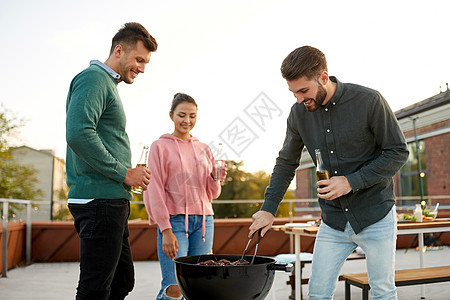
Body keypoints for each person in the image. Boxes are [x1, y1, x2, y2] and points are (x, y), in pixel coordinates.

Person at [249, 46, 409, 299]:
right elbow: (285, 163)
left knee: (382, 291)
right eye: (293, 93)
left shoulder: (369, 101)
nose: (299, 99)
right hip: (333, 221)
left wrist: (350, 181)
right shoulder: (298, 113)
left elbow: (398, 151)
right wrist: (269, 209)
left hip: (375, 215)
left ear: (324, 77)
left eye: (304, 91)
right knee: (317, 293)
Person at [66, 22, 157, 300]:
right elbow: (79, 134)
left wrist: (128, 171)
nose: (142, 68)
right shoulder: (94, 78)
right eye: (139, 59)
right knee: (95, 289)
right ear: (119, 50)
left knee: (121, 281)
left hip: (110, 201)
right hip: (98, 201)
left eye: (146, 62)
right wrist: (123, 173)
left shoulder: (107, 84)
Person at [143, 93, 223, 300]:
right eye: (182, 115)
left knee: (199, 286)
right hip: (174, 222)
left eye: (192, 116)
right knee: (175, 286)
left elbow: (212, 193)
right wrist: (165, 229)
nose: (187, 121)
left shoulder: (204, 148)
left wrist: (215, 178)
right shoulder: (159, 147)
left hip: (204, 222)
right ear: (171, 115)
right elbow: (154, 189)